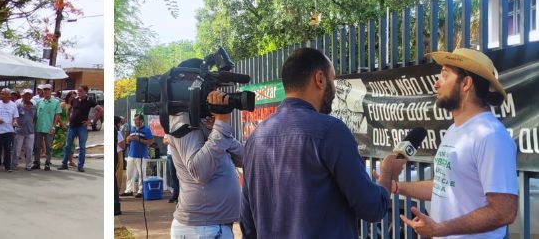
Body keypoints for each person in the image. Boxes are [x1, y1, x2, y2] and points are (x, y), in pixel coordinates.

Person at [241, 48, 394, 238]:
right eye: (333, 79)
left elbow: (248, 224)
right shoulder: (331, 131)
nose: (335, 89)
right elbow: (372, 208)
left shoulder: (255, 138)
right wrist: (387, 174)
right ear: (320, 79)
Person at [390, 48, 517, 238]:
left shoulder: (491, 136)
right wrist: (397, 187)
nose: (436, 83)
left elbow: (504, 211)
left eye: (445, 75)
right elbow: (443, 185)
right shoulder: (454, 130)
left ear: (466, 83)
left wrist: (441, 229)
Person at [167, 89, 243, 238]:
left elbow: (246, 158)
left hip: (212, 227)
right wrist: (221, 124)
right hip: (202, 229)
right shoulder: (183, 120)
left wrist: (220, 129)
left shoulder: (207, 124)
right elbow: (199, 172)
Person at [60, 85, 97, 172]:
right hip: (72, 126)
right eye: (78, 91)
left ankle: (80, 166)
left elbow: (100, 110)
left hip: (82, 127)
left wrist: (91, 121)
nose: (79, 93)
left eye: (80, 91)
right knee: (67, 146)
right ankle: (64, 164)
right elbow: (68, 109)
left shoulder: (90, 101)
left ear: (85, 92)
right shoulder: (75, 100)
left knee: (82, 147)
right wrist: (69, 119)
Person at [121, 114, 152, 198]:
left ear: (142, 120)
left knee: (141, 174)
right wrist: (128, 139)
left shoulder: (146, 130)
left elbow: (150, 142)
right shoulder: (132, 129)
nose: (135, 122)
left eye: (137, 120)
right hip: (131, 155)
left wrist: (139, 139)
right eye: (134, 120)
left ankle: (141, 191)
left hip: (141, 156)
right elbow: (128, 141)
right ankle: (129, 190)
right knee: (129, 173)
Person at [31, 85, 61, 171]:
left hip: (49, 128)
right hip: (39, 127)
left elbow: (57, 115)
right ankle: (36, 162)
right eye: (44, 90)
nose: (46, 91)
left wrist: (54, 127)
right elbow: (35, 115)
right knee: (37, 146)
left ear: (51, 91)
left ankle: (47, 163)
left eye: (48, 90)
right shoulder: (39, 102)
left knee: (48, 147)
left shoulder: (56, 102)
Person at [0, 89, 19, 172]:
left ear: (8, 95)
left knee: (7, 149)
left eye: (3, 94)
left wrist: (15, 122)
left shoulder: (13, 105)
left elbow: (15, 117)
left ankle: (7, 166)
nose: (0, 95)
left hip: (9, 130)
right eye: (0, 94)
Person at [13, 89, 36, 171]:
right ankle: (14, 164)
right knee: (17, 149)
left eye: (29, 95)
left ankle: (28, 165)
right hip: (20, 131)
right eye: (26, 94)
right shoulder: (18, 105)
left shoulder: (34, 106)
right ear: (23, 96)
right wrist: (15, 123)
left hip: (30, 131)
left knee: (29, 149)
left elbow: (35, 118)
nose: (28, 96)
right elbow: (15, 116)